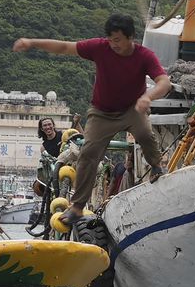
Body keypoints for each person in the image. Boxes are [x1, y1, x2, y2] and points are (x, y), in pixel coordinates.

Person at [13, 13, 172, 226]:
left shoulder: (144, 56)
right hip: (102, 112)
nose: (113, 44)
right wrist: (32, 42)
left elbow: (164, 82)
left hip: (133, 108)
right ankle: (77, 206)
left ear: (130, 37)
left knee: (144, 134)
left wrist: (148, 96)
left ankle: (156, 166)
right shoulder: (99, 48)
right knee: (88, 153)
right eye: (110, 39)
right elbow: (64, 47)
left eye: (117, 39)